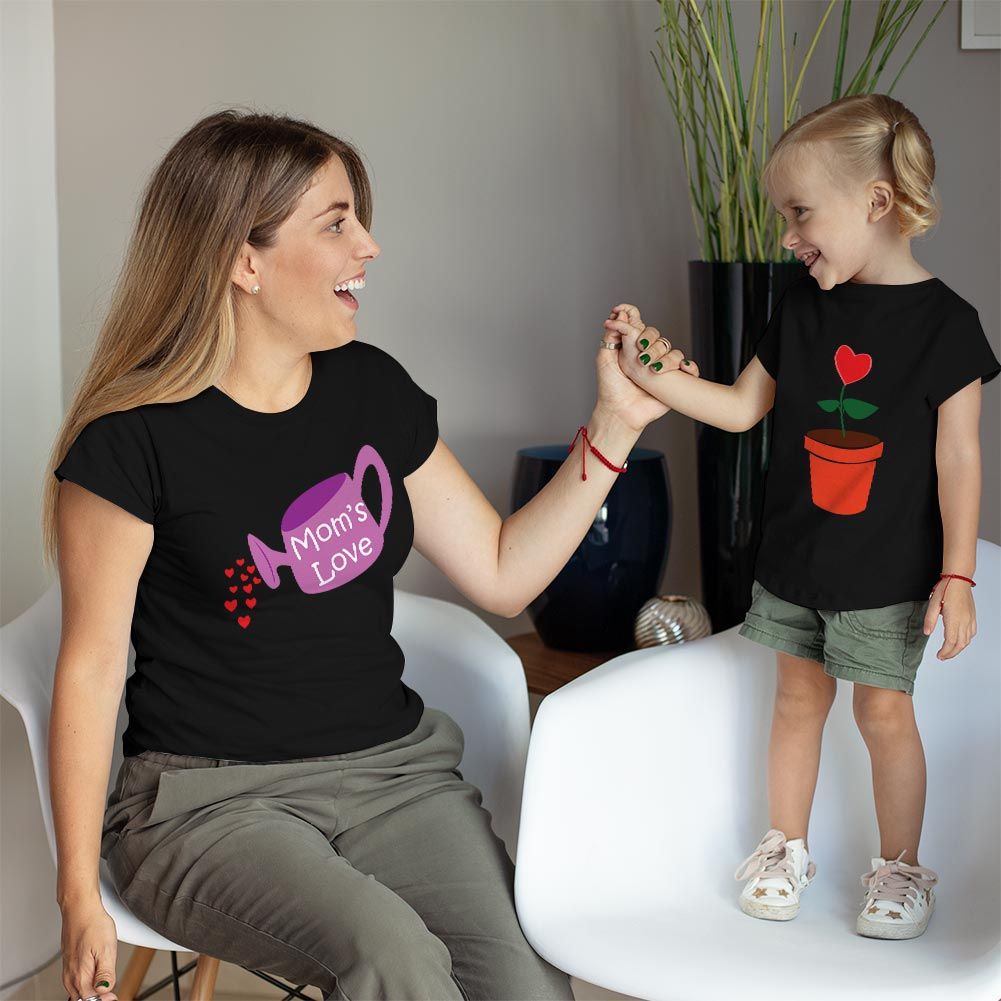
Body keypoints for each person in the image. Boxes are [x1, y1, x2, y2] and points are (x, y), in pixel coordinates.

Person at [44, 109, 700, 1001]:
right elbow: (88, 671)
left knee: (526, 979)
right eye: (336, 223)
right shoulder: (130, 442)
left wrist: (615, 424)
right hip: (209, 805)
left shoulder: (370, 390)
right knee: (393, 959)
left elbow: (503, 569)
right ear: (243, 261)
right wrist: (76, 890)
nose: (370, 246)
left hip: (395, 776)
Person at [601, 93, 1000, 941]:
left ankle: (900, 869)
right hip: (793, 560)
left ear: (875, 201)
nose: (787, 236)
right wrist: (646, 370)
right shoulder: (799, 306)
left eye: (799, 213)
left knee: (882, 714)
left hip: (887, 573)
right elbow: (741, 406)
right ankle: (782, 849)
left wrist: (957, 573)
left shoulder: (947, 326)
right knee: (794, 701)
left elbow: (958, 458)